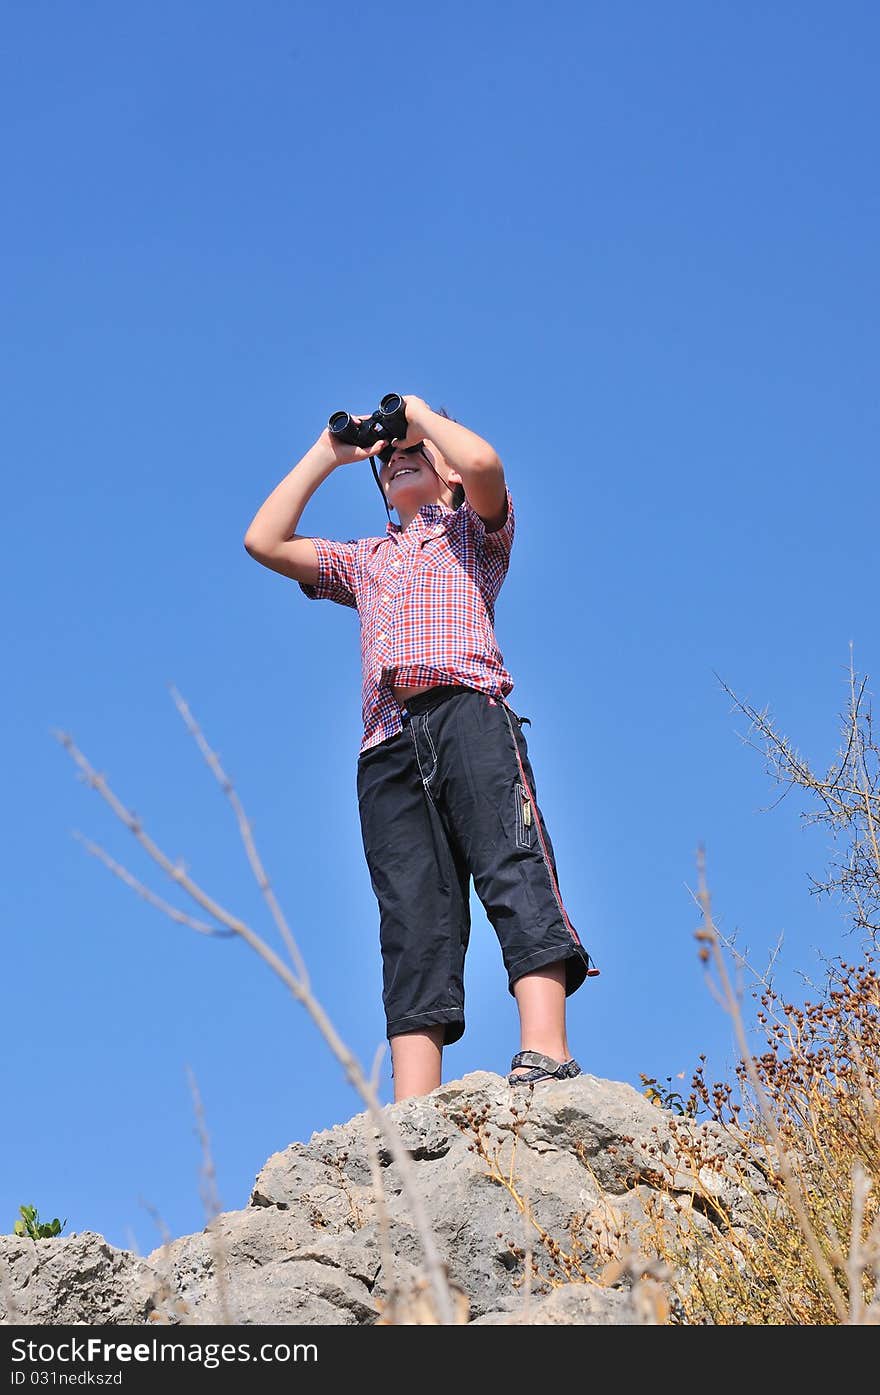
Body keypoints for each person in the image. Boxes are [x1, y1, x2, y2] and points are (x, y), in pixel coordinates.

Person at [243, 394, 598, 1101]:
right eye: (388, 461)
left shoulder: (472, 534)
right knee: (411, 916)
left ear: (448, 475)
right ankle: (414, 1107)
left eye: (416, 456)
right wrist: (329, 451)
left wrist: (418, 415)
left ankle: (546, 1050)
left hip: (465, 709)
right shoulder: (365, 560)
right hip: (387, 746)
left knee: (510, 861)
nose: (399, 459)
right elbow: (265, 541)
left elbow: (485, 464)